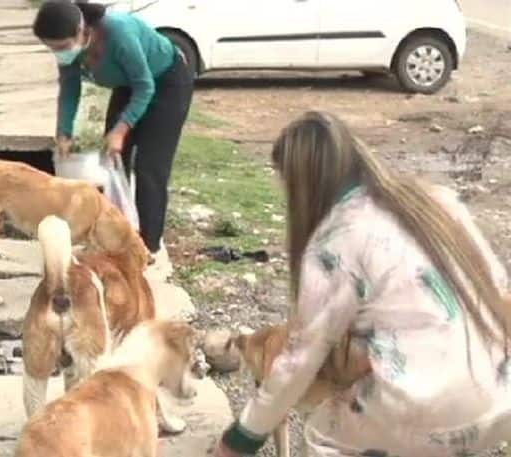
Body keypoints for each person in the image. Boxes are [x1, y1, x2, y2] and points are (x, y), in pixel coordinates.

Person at [214, 111, 511, 457]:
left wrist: (243, 436)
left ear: (299, 183)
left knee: (323, 436)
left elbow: (300, 359)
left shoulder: (333, 242)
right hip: (497, 396)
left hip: (426, 411)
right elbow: (499, 289)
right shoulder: (436, 200)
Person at [32, 0, 194, 261]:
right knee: (111, 161)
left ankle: (145, 249)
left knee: (150, 167)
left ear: (81, 31)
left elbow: (145, 87)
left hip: (166, 83)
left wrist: (121, 129)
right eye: (53, 49)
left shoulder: (118, 33)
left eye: (61, 47)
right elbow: (70, 88)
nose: (59, 54)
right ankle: (114, 234)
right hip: (128, 85)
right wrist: (63, 132)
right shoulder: (72, 49)